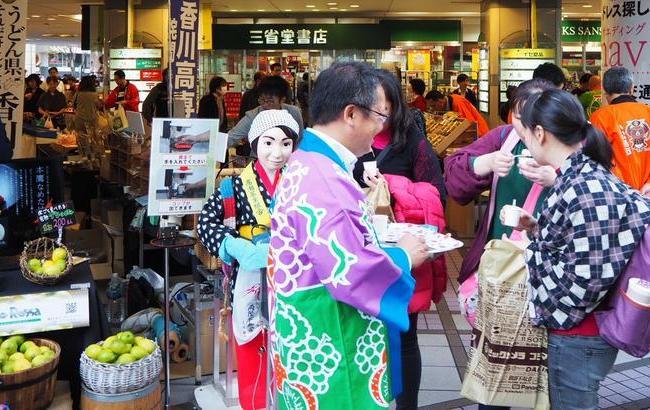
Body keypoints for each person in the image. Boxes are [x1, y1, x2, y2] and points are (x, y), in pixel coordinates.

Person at [268, 61, 430, 409]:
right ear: (352, 114)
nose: (382, 127)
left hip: (305, 333)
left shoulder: (309, 161)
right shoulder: (324, 177)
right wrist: (404, 256)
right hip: (329, 340)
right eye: (380, 115)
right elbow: (351, 272)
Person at [507, 88, 650, 410]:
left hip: (579, 331)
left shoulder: (584, 188)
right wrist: (536, 229)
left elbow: (589, 278)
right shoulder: (583, 175)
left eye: (526, 132)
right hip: (580, 328)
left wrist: (550, 311)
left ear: (540, 133)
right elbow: (588, 245)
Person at [446, 78, 558, 410]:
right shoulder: (503, 139)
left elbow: (598, 189)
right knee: (495, 361)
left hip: (553, 277)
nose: (527, 130)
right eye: (520, 118)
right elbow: (455, 174)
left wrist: (558, 178)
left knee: (551, 367)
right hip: (503, 274)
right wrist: (485, 163)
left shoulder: (571, 144)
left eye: (536, 121)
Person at [354, 69, 446, 410]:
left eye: (384, 104)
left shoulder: (411, 142)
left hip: (401, 255)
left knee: (405, 336)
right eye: (369, 104)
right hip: (358, 255)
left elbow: (438, 194)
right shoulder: (346, 143)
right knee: (359, 336)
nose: (378, 113)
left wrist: (393, 187)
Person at [197, 109, 300, 410]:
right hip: (250, 280)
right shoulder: (235, 186)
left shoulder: (299, 183)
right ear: (254, 145)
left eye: (285, 144)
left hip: (291, 279)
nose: (277, 153)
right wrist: (232, 245)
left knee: (290, 349)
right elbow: (205, 223)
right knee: (252, 344)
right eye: (268, 143)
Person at [590, 66, 650, 194]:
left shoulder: (600, 116)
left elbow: (594, 159)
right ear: (632, 88)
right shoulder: (648, 112)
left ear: (605, 91)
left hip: (618, 194)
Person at [229, 75, 303, 149]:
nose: (265, 105)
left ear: (282, 100)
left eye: (270, 101)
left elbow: (299, 139)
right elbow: (232, 136)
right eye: (262, 100)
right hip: (259, 158)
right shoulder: (253, 115)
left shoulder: (293, 112)